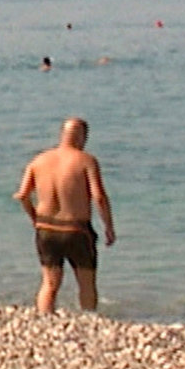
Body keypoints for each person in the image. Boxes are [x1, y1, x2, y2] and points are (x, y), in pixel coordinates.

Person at [16, 118, 116, 313]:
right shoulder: (86, 160)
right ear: (83, 137)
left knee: (50, 283)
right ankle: (88, 319)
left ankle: (44, 320)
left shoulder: (39, 160)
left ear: (62, 135)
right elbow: (99, 197)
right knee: (86, 282)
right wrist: (109, 227)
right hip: (76, 229)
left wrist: (34, 218)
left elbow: (22, 196)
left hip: (46, 229)